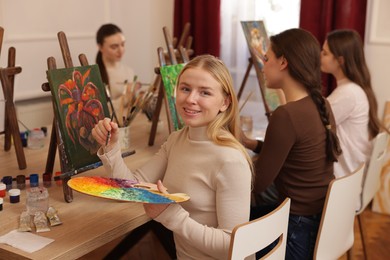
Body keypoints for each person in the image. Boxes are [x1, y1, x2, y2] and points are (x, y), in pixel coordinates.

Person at [92, 54, 253, 259]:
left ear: (225, 102)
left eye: (204, 92)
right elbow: (130, 189)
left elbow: (232, 246)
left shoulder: (230, 160)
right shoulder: (177, 139)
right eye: (185, 88)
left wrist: (170, 215)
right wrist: (112, 147)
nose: (190, 99)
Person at [241, 28, 342, 259]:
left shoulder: (286, 115)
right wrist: (250, 143)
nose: (263, 66)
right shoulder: (321, 104)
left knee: (224, 229)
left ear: (283, 62)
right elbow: (294, 153)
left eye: (266, 59)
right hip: (317, 220)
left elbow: (257, 183)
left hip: (296, 227)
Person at [321, 29, 384, 178]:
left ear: (340, 60)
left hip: (340, 179)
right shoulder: (352, 90)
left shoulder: (348, 93)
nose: (319, 56)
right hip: (348, 179)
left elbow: (309, 126)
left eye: (325, 53)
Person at [96, 23, 141, 126]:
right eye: (114, 47)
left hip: (128, 126)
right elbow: (99, 111)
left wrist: (137, 96)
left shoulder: (129, 71)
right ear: (100, 47)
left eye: (123, 44)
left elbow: (133, 107)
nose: (121, 50)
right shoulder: (95, 75)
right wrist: (125, 97)